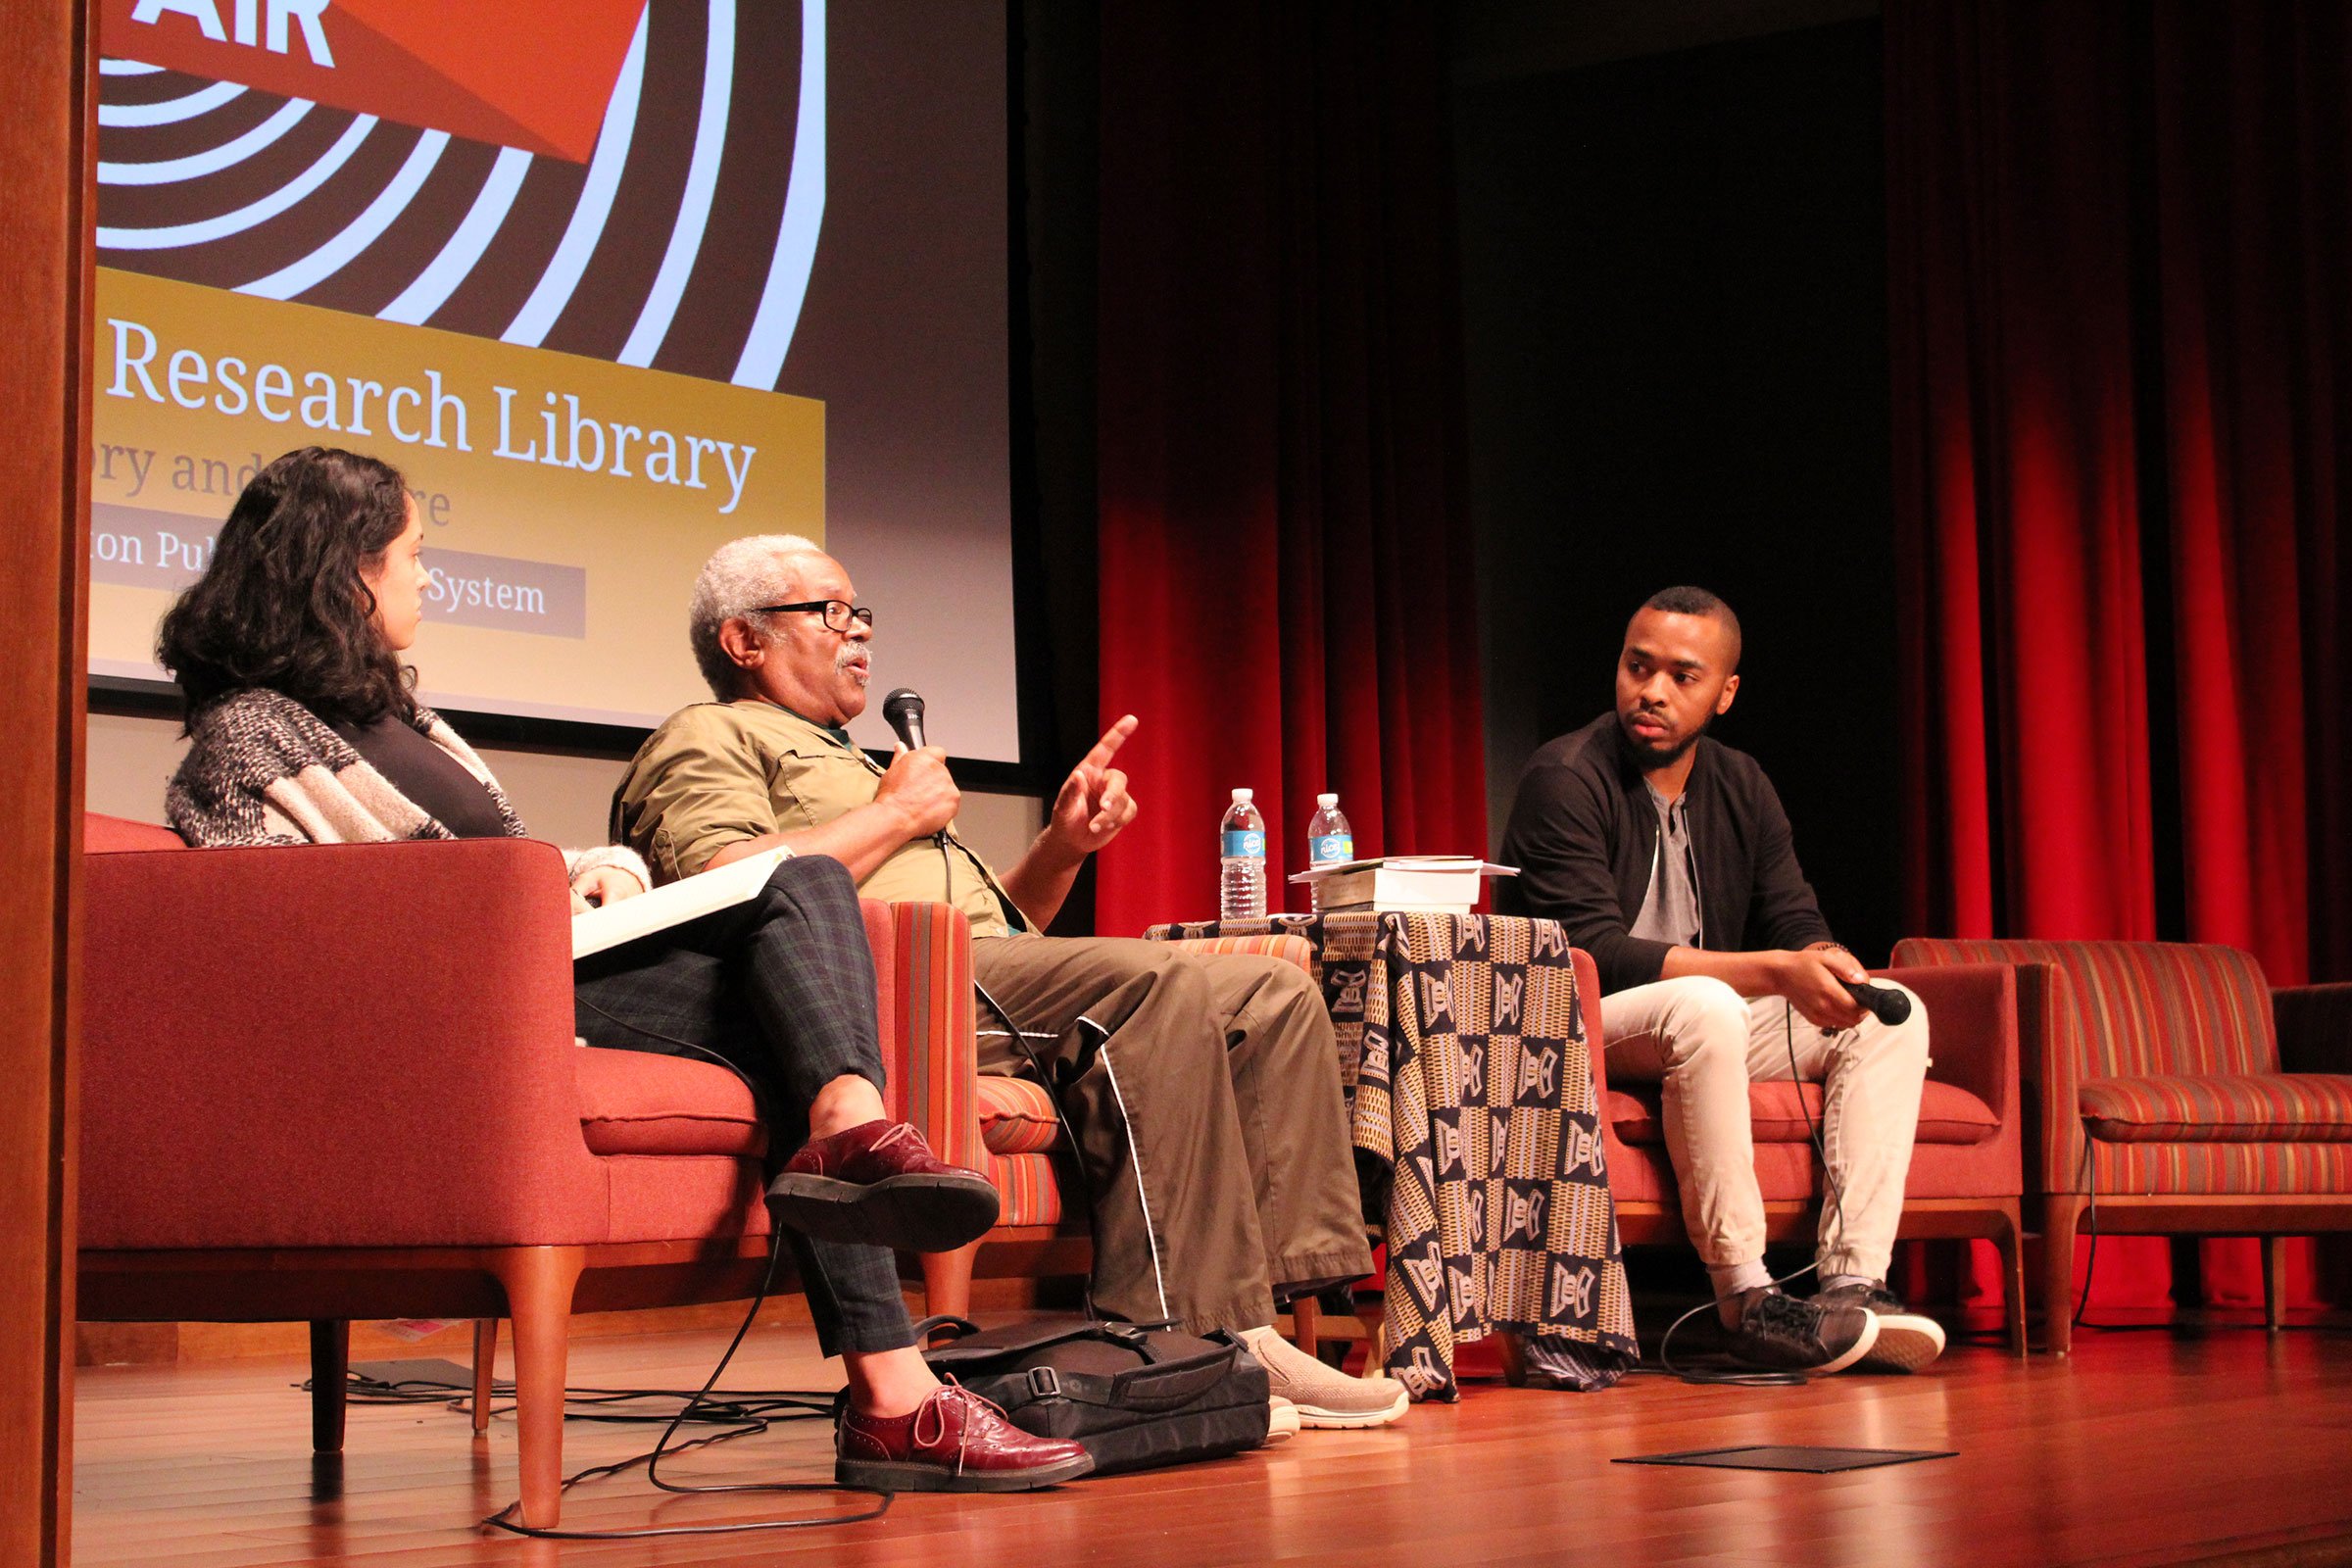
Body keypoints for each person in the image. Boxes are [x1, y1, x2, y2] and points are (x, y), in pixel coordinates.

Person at [157, 447, 1095, 1492]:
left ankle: (859, 1203)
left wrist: (593, 879)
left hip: (540, 961)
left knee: (809, 898)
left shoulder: (400, 715)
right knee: (802, 927)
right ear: (347, 568)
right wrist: (520, 911)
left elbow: (500, 859)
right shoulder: (246, 734)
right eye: (415, 554)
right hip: (472, 995)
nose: (429, 578)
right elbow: (284, 925)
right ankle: (894, 1387)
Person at [609, 534, 1410, 1431]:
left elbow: (1009, 936)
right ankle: (1181, 1337)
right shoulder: (707, 733)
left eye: (862, 613)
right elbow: (721, 884)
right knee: (1158, 985)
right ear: (743, 641)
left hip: (983, 975)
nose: (860, 633)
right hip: (863, 986)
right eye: (829, 612)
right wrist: (895, 815)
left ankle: (1271, 1320)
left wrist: (1063, 845)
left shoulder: (868, 763)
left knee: (1272, 995)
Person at [1496, 586, 1942, 1375]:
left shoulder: (1743, 785)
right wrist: (1772, 971)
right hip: (1578, 1017)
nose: (1653, 692)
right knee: (1710, 1004)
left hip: (1705, 1020)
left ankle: (1851, 1288)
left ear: (1724, 693)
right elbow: (1592, 947)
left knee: (1890, 1014)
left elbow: (1793, 917)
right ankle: (1745, 1298)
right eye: (1638, 667)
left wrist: (1824, 966)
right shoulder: (1563, 776)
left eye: (1681, 676)